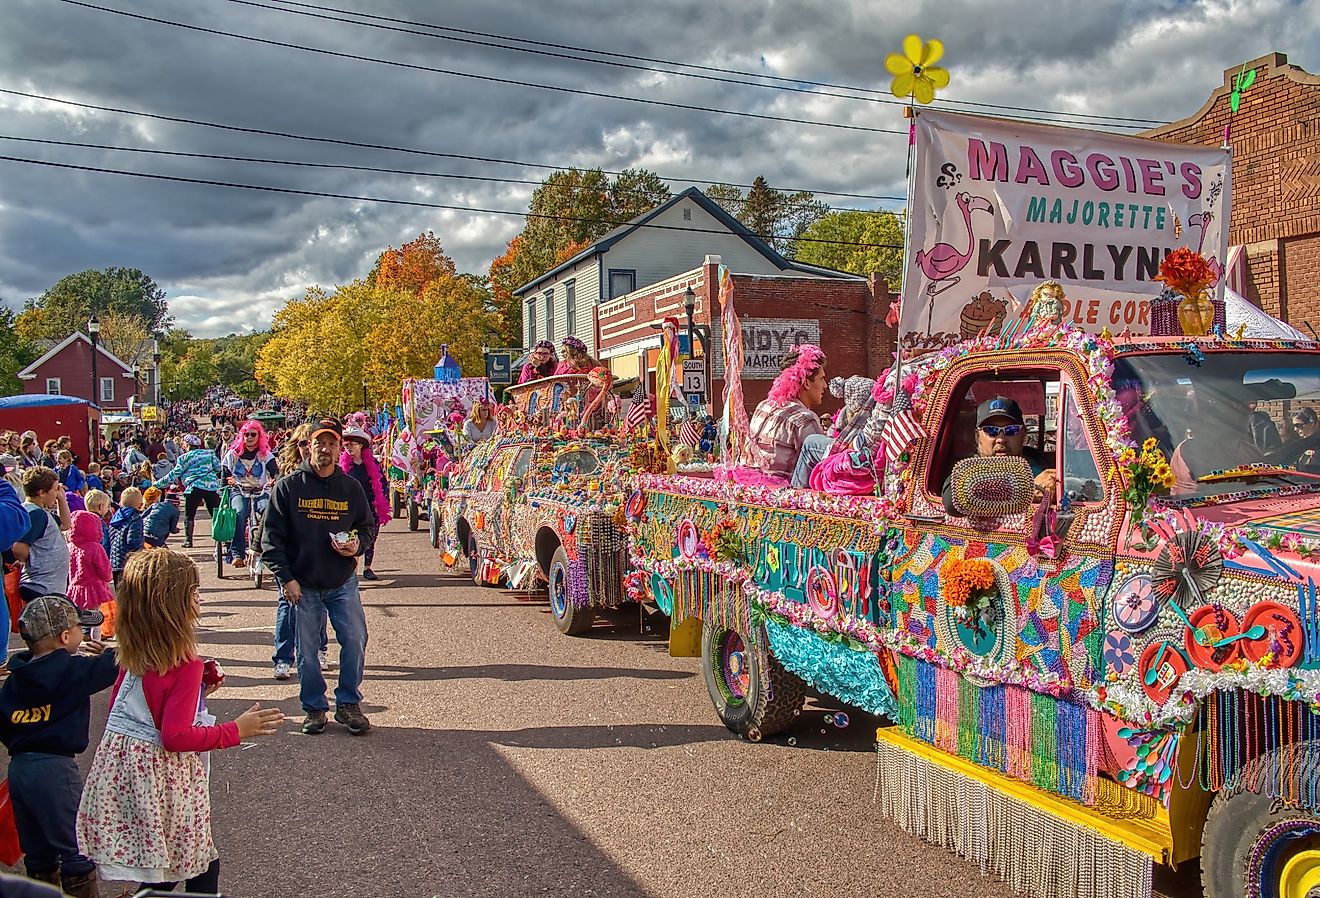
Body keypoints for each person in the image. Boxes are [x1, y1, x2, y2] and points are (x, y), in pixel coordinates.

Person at [76, 549, 284, 895]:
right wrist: (235, 730)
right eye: (193, 593)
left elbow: (131, 711)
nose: (198, 600)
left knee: (170, 865)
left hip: (132, 779)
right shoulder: (185, 665)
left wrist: (198, 696)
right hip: (167, 783)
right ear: (176, 604)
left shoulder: (132, 655)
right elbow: (175, 736)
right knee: (198, 862)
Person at [261, 418, 374, 735]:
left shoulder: (349, 488)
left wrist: (356, 546)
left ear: (340, 449)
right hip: (303, 584)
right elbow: (270, 541)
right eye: (319, 443)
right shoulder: (288, 488)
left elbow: (366, 527)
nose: (326, 449)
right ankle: (314, 708)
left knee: (354, 640)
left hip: (341, 582)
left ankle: (348, 704)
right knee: (307, 652)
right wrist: (286, 579)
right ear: (308, 447)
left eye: (332, 443)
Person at [0, 596, 113, 898]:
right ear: (65, 636)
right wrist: (109, 652)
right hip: (56, 768)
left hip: (21, 770)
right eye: (78, 628)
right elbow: (117, 666)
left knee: (38, 853)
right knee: (76, 848)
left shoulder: (13, 682)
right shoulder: (72, 671)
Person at [270, 423, 328, 679]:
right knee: (287, 603)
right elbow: (272, 521)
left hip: (319, 551)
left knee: (320, 601)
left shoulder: (328, 474)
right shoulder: (286, 475)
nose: (306, 448)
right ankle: (283, 658)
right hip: (290, 551)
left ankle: (319, 648)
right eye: (302, 443)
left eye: (310, 443)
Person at [942, 397, 1057, 515]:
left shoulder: (1038, 460)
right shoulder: (967, 471)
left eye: (1011, 430)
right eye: (991, 430)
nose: (1001, 439)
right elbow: (952, 502)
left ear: (1023, 434)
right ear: (977, 436)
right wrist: (1029, 491)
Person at [740, 345, 828, 483]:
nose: (825, 386)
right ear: (806, 384)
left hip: (749, 488)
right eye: (822, 379)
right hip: (783, 496)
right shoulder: (804, 418)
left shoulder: (764, 405)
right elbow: (825, 466)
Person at [791, 375, 874, 488]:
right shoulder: (874, 417)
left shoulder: (864, 423)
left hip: (857, 463)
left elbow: (856, 446)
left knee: (810, 443)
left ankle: (796, 492)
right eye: (821, 379)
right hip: (860, 463)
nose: (824, 385)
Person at [219, 422, 279, 569]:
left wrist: (275, 480)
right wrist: (227, 482)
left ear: (259, 436)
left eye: (253, 434)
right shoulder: (233, 454)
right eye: (246, 434)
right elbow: (224, 473)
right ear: (242, 436)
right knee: (239, 514)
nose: (250, 437)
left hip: (261, 491)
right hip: (239, 490)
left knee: (267, 512)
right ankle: (237, 554)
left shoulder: (265, 454)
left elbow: (275, 471)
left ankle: (265, 549)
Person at [152, 434, 223, 548]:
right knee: (216, 514)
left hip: (194, 487)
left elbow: (174, 475)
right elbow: (218, 468)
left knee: (189, 515)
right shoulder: (209, 454)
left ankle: (188, 541)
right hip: (211, 487)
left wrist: (157, 484)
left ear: (188, 445)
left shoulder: (184, 458)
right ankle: (221, 538)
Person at [12, 468, 72, 603]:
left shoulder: (40, 512)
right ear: (42, 493)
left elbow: (65, 524)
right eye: (55, 490)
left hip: (48, 587)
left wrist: (61, 499)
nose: (57, 493)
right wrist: (34, 560)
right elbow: (19, 548)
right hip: (42, 587)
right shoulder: (36, 515)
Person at [341, 428, 390, 582]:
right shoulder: (343, 466)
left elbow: (382, 484)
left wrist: (382, 503)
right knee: (351, 538)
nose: (348, 447)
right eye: (346, 444)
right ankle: (352, 572)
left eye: (352, 444)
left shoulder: (372, 463)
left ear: (361, 445)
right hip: (351, 509)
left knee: (370, 538)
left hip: (370, 506)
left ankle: (367, 568)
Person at [66, 510, 113, 638]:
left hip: (75, 587)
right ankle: (95, 642)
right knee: (96, 619)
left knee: (77, 618)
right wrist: (108, 577)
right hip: (93, 588)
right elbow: (105, 570)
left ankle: (75, 643)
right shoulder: (96, 548)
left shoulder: (70, 546)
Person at [106, 488, 145, 587]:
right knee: (130, 592)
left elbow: (109, 539)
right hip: (128, 562)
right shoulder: (135, 518)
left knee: (119, 593)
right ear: (140, 503)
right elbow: (133, 540)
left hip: (114, 562)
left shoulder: (115, 517)